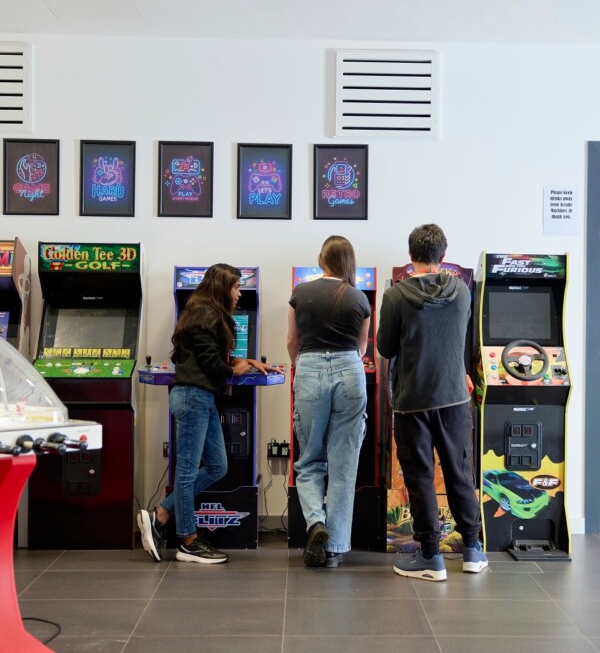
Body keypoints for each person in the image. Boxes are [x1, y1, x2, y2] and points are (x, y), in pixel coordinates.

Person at [137, 263, 283, 564]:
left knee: (218, 465)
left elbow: (208, 356)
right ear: (221, 288)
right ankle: (188, 541)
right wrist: (234, 368)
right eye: (235, 287)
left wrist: (248, 361)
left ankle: (160, 515)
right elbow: (212, 365)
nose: (239, 293)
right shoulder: (206, 315)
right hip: (192, 397)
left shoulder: (203, 313)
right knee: (188, 473)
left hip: (200, 397)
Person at [376, 224, 487, 581]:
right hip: (455, 398)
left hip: (412, 400)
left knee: (420, 478)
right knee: (459, 472)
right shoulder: (462, 291)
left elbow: (385, 348)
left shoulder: (395, 296)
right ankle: (472, 550)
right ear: (443, 255)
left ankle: (430, 557)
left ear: (410, 256)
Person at [288, 236, 372, 568]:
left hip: (308, 368)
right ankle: (334, 549)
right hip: (350, 371)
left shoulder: (301, 293)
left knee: (309, 459)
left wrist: (304, 368)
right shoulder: (359, 298)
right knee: (343, 465)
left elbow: (291, 342)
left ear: (321, 258)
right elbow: (362, 350)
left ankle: (315, 523)